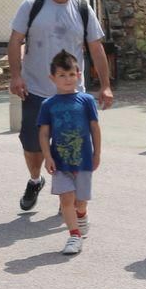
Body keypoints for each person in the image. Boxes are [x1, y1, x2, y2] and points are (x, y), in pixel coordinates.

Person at [8, 0, 113, 212]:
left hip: (72, 94)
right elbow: (14, 41)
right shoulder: (32, 4)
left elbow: (96, 48)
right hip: (37, 92)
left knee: (70, 147)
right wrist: (15, 75)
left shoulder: (81, 8)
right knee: (33, 147)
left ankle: (66, 196)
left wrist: (106, 85)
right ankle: (36, 179)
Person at [39, 50, 101, 255]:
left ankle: (81, 215)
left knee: (80, 201)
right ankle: (74, 235)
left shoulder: (86, 101)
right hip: (60, 162)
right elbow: (44, 132)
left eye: (71, 75)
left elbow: (94, 128)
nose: (67, 79)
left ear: (79, 74)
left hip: (83, 160)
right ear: (52, 78)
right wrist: (47, 157)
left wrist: (97, 154)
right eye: (62, 75)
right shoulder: (48, 105)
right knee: (66, 200)